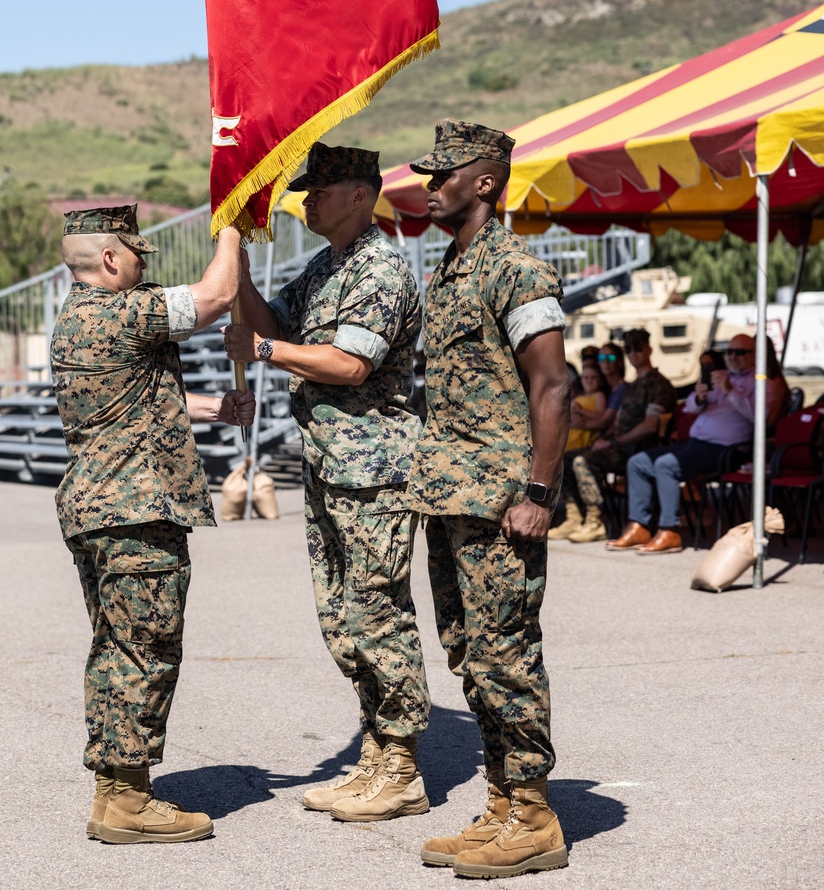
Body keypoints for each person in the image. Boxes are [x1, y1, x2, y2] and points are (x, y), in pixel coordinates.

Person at [224, 142, 431, 823]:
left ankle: (400, 765)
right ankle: (374, 753)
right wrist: (240, 278)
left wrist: (263, 351)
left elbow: (348, 364)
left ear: (359, 195)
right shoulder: (325, 266)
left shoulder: (379, 269)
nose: (306, 199)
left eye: (320, 189)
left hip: (372, 471)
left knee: (377, 611)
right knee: (342, 618)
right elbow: (273, 323)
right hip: (329, 463)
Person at [50, 205, 253, 845]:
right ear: (111, 258)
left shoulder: (77, 322)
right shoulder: (122, 311)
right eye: (136, 255)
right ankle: (129, 799)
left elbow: (138, 394)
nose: (143, 267)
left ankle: (116, 794)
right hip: (136, 510)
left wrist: (216, 408)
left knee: (118, 649)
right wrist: (234, 221)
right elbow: (218, 295)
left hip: (99, 506)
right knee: (146, 650)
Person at [406, 120, 571, 879]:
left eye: (444, 174)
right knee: (471, 656)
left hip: (504, 500)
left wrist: (539, 489)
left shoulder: (516, 269)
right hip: (451, 498)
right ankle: (503, 801)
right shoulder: (448, 268)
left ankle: (534, 814)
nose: (429, 185)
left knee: (507, 655)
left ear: (484, 181)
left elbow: (552, 385)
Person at [615, 332, 777, 555]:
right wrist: (699, 397)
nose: (733, 357)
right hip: (696, 442)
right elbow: (690, 407)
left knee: (665, 465)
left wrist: (731, 391)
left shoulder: (760, 383)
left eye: (740, 352)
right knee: (638, 462)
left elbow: (760, 418)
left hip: (726, 450)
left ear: (755, 355)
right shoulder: (718, 376)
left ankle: (669, 530)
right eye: (729, 352)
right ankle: (639, 526)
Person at [571, 327, 677, 546]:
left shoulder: (658, 384)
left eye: (638, 348)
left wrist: (614, 441)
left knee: (582, 462)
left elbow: (649, 426)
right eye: (629, 349)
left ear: (649, 350)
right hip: (620, 445)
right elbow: (617, 422)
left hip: (640, 448)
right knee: (568, 458)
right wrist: (605, 439)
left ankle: (596, 521)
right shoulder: (632, 386)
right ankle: (575, 516)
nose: (633, 353)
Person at [550, 354, 610, 540]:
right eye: (585, 377)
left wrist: (581, 413)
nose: (589, 381)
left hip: (587, 440)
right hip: (573, 439)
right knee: (562, 463)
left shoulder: (599, 396)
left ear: (600, 380)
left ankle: (594, 520)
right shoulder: (581, 396)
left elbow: (601, 418)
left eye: (593, 378)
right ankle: (573, 515)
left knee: (577, 461)